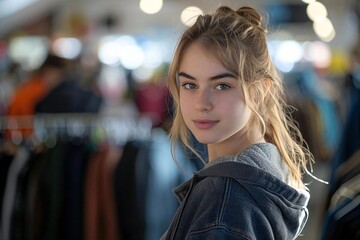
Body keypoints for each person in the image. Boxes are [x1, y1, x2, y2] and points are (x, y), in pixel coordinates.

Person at [161, 5, 314, 240]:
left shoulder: (223, 202)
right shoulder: (268, 163)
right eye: (190, 85)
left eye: (222, 85)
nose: (202, 103)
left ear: (260, 91)